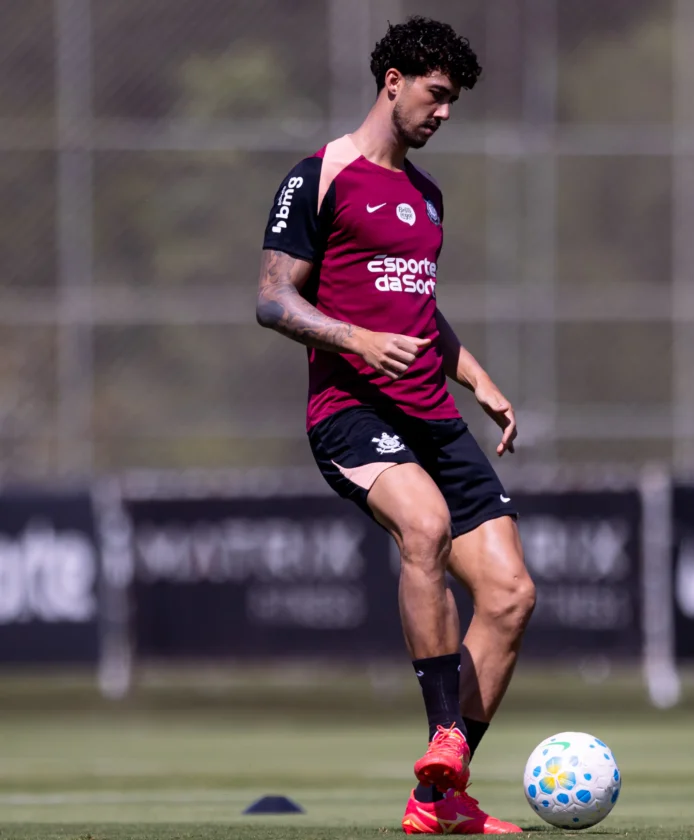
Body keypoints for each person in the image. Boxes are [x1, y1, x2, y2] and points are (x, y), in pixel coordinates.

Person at [256, 15, 535, 836]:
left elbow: (416, 310)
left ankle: (440, 800)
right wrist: (355, 340)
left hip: (433, 419)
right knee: (426, 526)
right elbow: (272, 300)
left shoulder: (427, 195)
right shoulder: (320, 176)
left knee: (511, 595)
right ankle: (445, 734)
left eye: (453, 102)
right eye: (436, 95)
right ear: (392, 82)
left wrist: (476, 376)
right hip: (351, 413)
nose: (444, 113)